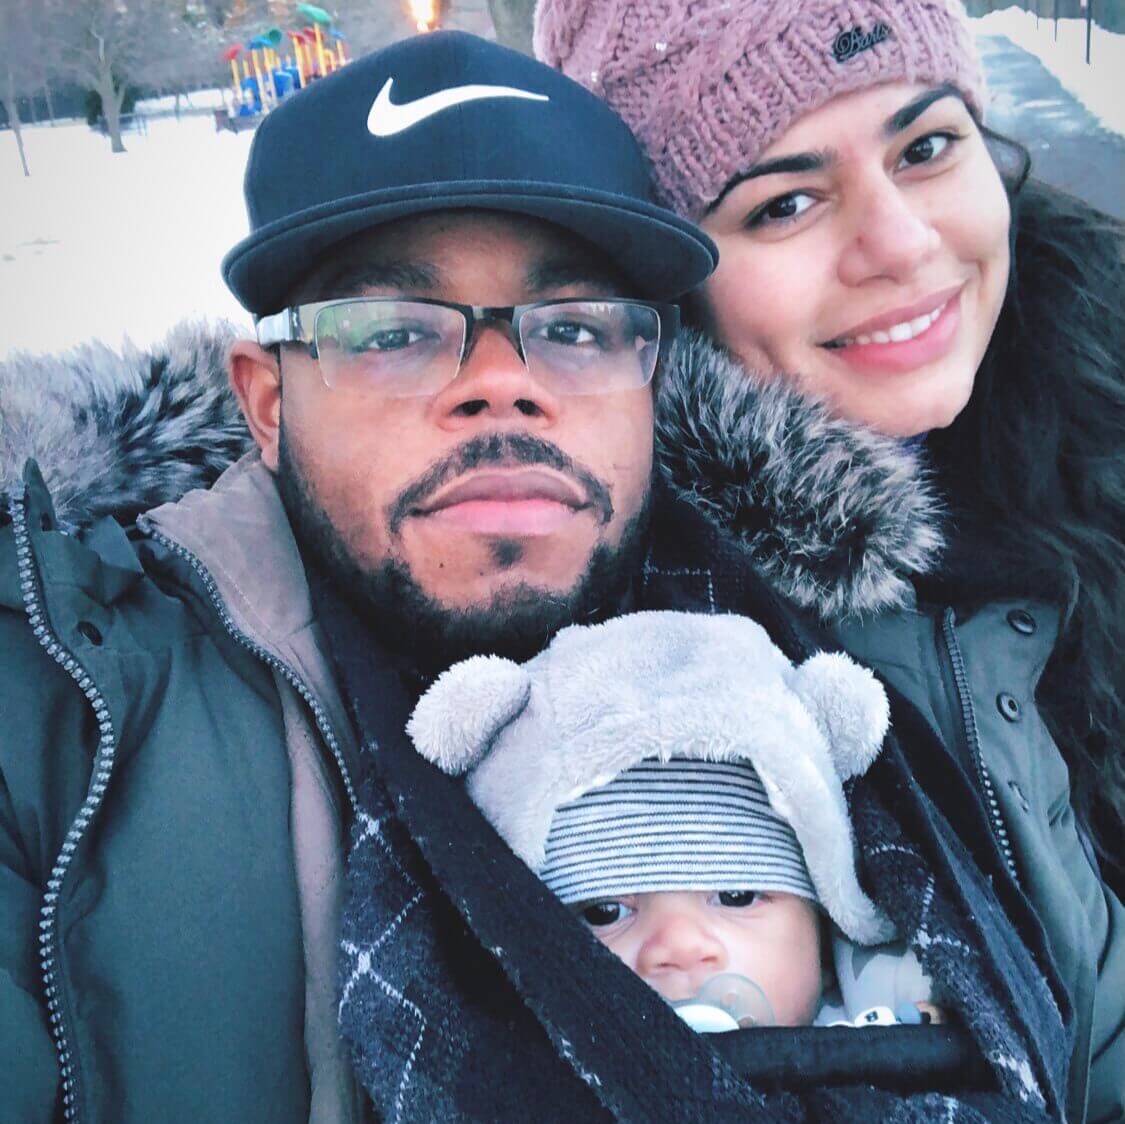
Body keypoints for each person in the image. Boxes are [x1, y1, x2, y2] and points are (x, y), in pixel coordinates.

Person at [0, 29, 1065, 1124]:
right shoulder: (58, 711)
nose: (503, 387)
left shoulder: (826, 640)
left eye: (576, 327)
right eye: (392, 333)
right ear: (267, 401)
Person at [534, 1, 1125, 1120]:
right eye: (787, 201)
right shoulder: (651, 656)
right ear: (668, 281)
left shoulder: (1094, 399)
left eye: (927, 146)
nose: (901, 243)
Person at [407, 610, 949, 1035]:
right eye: (603, 911)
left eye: (737, 895)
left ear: (824, 933)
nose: (679, 948)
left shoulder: (883, 1038)